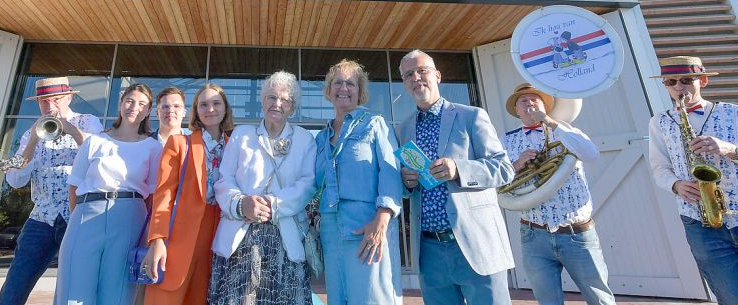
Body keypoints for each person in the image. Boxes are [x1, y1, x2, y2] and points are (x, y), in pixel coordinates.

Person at [648, 56, 738, 305]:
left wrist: (731, 150)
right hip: (700, 222)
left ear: (703, 81)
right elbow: (659, 169)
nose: (679, 87)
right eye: (671, 81)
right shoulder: (659, 122)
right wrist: (675, 185)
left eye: (687, 80)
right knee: (733, 300)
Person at [395, 50, 514, 305]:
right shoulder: (403, 129)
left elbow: (504, 169)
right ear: (405, 83)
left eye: (422, 71)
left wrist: (459, 169)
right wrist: (406, 182)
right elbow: (406, 190)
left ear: (437, 75)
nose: (416, 78)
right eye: (408, 75)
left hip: (476, 245)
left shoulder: (471, 115)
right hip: (430, 251)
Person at [208, 71, 317, 305]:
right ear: (262, 100)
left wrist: (273, 204)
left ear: (292, 107)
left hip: (285, 238)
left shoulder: (304, 139)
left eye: (284, 100)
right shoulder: (241, 135)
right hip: (241, 237)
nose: (276, 104)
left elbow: (308, 184)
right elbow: (223, 179)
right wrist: (241, 204)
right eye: (271, 97)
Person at [501, 83, 615, 305]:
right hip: (533, 234)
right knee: (547, 300)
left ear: (545, 106)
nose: (530, 104)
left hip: (577, 233)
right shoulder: (506, 139)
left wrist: (551, 123)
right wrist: (517, 164)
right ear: (517, 110)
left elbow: (591, 154)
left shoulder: (566, 130)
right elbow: (498, 180)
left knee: (600, 298)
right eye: (523, 101)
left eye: (535, 99)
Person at [0, 77, 103, 305]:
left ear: (69, 98)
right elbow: (15, 181)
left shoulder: (88, 121)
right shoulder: (29, 134)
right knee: (15, 285)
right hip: (41, 218)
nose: (51, 106)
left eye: (56, 99)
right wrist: (33, 141)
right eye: (44, 102)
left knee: (75, 285)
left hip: (77, 215)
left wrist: (71, 130)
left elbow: (100, 160)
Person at [53, 83, 163, 305]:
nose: (135, 107)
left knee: (117, 292)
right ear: (121, 104)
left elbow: (152, 195)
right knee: (74, 287)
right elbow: (74, 187)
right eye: (130, 101)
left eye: (142, 104)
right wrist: (80, 217)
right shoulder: (95, 140)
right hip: (86, 215)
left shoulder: (153, 147)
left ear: (148, 111)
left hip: (129, 217)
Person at [314, 59, 403, 305]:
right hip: (331, 231)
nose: (344, 88)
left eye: (350, 84)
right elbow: (311, 183)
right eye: (338, 83)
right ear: (329, 91)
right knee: (338, 297)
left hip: (367, 225)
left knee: (372, 297)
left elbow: (390, 173)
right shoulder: (321, 138)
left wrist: (382, 220)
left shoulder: (375, 124)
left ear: (360, 92)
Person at [142, 83, 234, 305]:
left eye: (216, 103)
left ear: (225, 109)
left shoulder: (237, 146)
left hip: (220, 235)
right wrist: (157, 240)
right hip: (179, 237)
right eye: (203, 104)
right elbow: (164, 196)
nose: (210, 109)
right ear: (195, 110)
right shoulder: (180, 143)